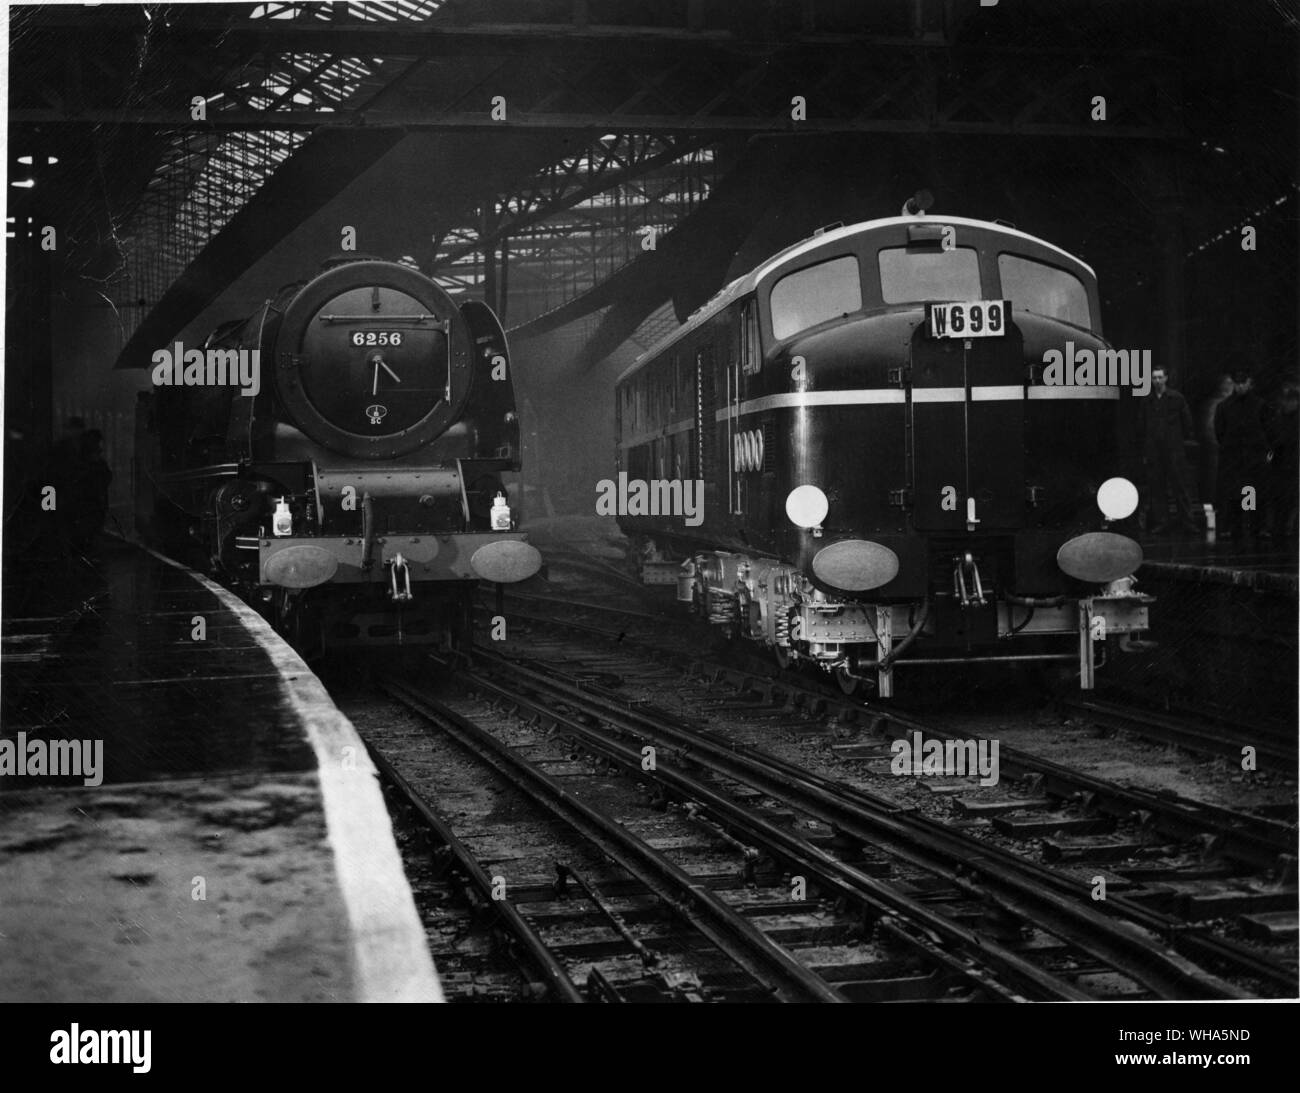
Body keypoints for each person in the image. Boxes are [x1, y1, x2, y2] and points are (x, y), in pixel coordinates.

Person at [1139, 366, 1196, 534]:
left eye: (1159, 377)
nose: (1157, 381)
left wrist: (1181, 443)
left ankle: (1187, 522)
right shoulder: (1147, 401)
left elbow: (1187, 422)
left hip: (1173, 450)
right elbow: (1141, 426)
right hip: (1155, 451)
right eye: (1154, 378)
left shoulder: (1176, 398)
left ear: (1166, 379)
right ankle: (1162, 522)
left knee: (1180, 487)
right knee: (1157, 488)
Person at [1215, 369, 1269, 539]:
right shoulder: (1224, 406)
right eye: (1237, 383)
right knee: (1235, 496)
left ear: (1249, 383)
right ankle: (1237, 528)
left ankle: (1253, 527)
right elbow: (1220, 432)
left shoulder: (1259, 405)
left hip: (1251, 458)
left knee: (1251, 495)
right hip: (1236, 458)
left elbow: (1267, 430)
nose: (1240, 386)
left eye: (1243, 382)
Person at [1267, 381, 1298, 542]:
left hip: (1286, 464)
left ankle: (1281, 527)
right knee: (1283, 499)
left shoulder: (1278, 417)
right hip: (1283, 465)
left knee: (1285, 499)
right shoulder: (1279, 417)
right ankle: (1282, 527)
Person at [1198, 373, 1234, 509]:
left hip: (1228, 452)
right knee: (1215, 487)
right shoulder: (1215, 404)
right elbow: (1209, 430)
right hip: (1218, 453)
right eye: (1228, 383)